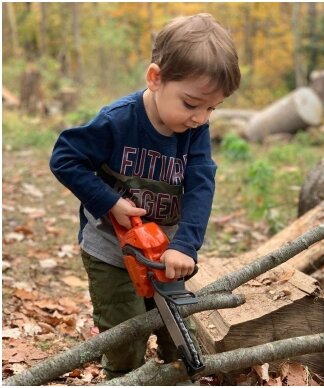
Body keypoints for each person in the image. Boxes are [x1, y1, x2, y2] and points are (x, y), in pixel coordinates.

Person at [50, 13, 240, 378]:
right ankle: (123, 378)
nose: (201, 117)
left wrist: (185, 245)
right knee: (125, 334)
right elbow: (64, 158)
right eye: (191, 104)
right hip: (112, 250)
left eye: (212, 108)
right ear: (155, 78)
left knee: (177, 330)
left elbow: (201, 183)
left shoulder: (194, 129)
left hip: (165, 251)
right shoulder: (117, 120)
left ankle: (177, 377)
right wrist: (108, 202)